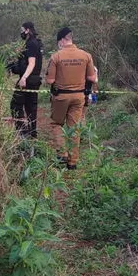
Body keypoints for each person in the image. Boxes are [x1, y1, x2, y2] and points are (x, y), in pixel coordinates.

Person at [46, 27, 97, 170]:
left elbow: (50, 81)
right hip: (79, 96)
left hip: (61, 96)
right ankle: (73, 162)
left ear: (62, 40)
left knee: (56, 124)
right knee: (74, 128)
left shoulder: (56, 56)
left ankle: (62, 154)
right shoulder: (86, 55)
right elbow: (92, 77)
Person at [9, 22, 43, 139]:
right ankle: (32, 133)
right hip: (34, 79)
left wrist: (24, 78)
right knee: (30, 107)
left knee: (15, 104)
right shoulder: (33, 43)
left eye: (22, 30)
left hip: (28, 80)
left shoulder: (32, 43)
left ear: (27, 30)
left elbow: (32, 63)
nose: (21, 32)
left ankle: (23, 132)